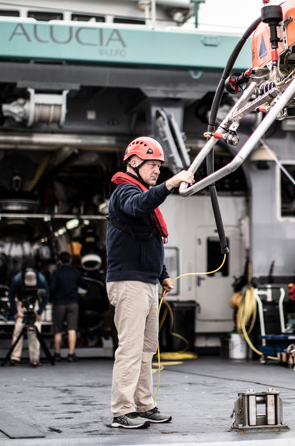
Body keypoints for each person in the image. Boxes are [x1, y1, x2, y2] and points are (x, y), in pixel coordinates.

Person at [106, 136, 194, 430]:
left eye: (159, 166)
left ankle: (143, 405)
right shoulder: (125, 192)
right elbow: (138, 206)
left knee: (145, 350)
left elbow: (150, 238)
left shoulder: (143, 194)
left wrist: (162, 274)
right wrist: (169, 185)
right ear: (133, 163)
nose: (157, 171)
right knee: (130, 349)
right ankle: (122, 411)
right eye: (152, 165)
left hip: (146, 281)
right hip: (128, 282)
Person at [50, 252, 88, 361]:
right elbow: (84, 285)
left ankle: (57, 353)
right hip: (72, 302)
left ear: (60, 261)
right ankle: (71, 354)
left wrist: (52, 298)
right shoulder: (75, 272)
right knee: (72, 329)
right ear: (70, 260)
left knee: (58, 329)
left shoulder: (57, 273)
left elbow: (52, 288)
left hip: (59, 303)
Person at [9, 267, 49, 367]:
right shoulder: (17, 279)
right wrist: (15, 312)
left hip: (34, 304)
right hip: (21, 304)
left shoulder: (41, 279)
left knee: (36, 330)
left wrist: (39, 312)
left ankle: (35, 358)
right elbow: (10, 295)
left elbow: (46, 296)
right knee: (18, 330)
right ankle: (15, 357)